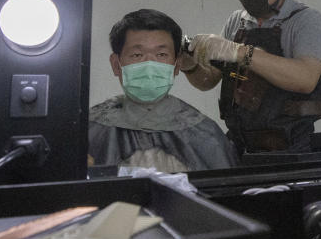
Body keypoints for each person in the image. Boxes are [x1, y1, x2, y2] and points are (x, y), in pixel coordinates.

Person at [180, 0, 321, 154]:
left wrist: (240, 52)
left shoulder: (306, 20)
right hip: (239, 144)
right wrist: (190, 64)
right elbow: (209, 80)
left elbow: (306, 78)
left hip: (288, 148)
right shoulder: (236, 21)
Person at [88, 9, 237, 172]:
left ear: (177, 65)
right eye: (137, 55)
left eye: (161, 54)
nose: (150, 65)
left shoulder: (207, 135)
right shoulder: (89, 131)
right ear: (116, 64)